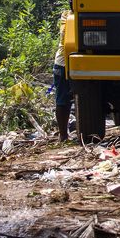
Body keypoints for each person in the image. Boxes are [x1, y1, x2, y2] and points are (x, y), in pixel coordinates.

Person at [52, 11, 73, 142]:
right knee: (63, 100)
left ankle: (64, 135)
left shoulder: (66, 15)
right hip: (63, 63)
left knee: (65, 100)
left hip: (68, 63)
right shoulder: (66, 17)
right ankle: (63, 136)